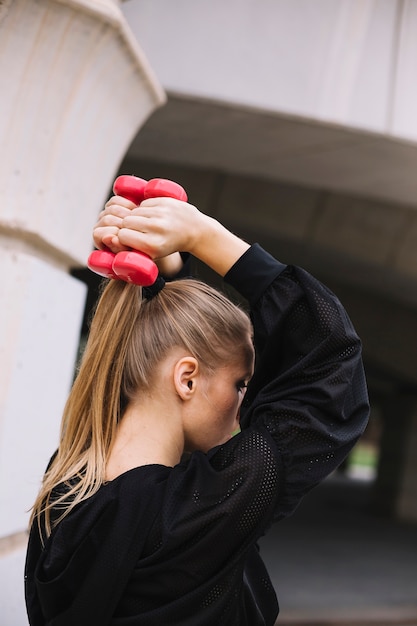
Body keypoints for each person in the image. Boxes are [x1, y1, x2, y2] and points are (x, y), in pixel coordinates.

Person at [25, 188, 369, 626]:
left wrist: (168, 275)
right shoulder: (202, 505)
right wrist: (203, 235)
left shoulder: (66, 483)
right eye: (241, 383)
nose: (245, 406)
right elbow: (330, 364)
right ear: (186, 378)